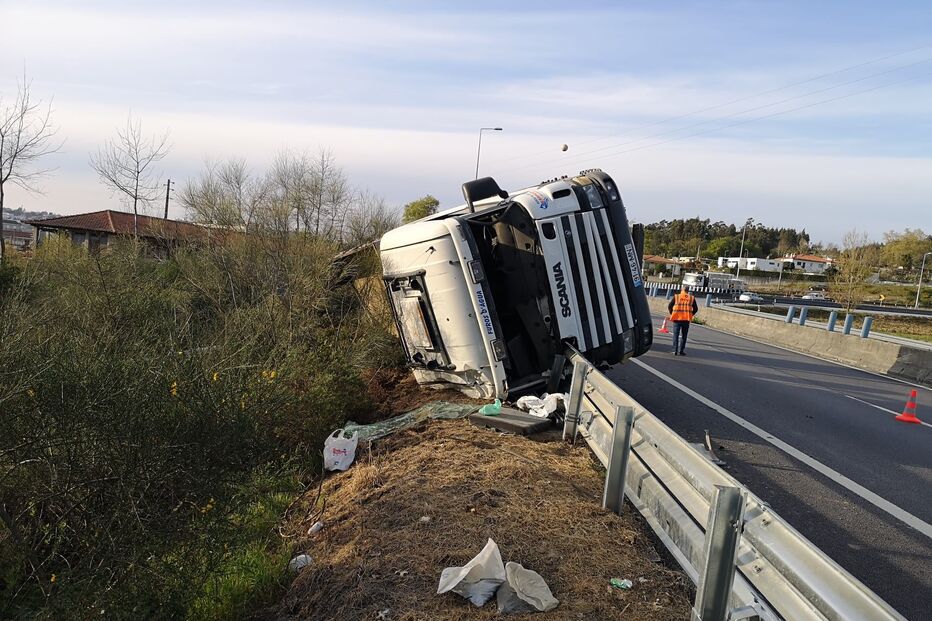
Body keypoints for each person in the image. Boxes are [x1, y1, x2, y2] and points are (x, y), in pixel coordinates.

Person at [667, 284, 698, 356]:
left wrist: (672, 313)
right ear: (687, 290)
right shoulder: (691, 298)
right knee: (684, 336)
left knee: (676, 335)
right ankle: (681, 351)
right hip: (686, 319)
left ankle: (675, 350)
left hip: (677, 318)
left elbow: (670, 306)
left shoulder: (677, 297)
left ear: (682, 290)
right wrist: (690, 314)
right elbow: (696, 309)